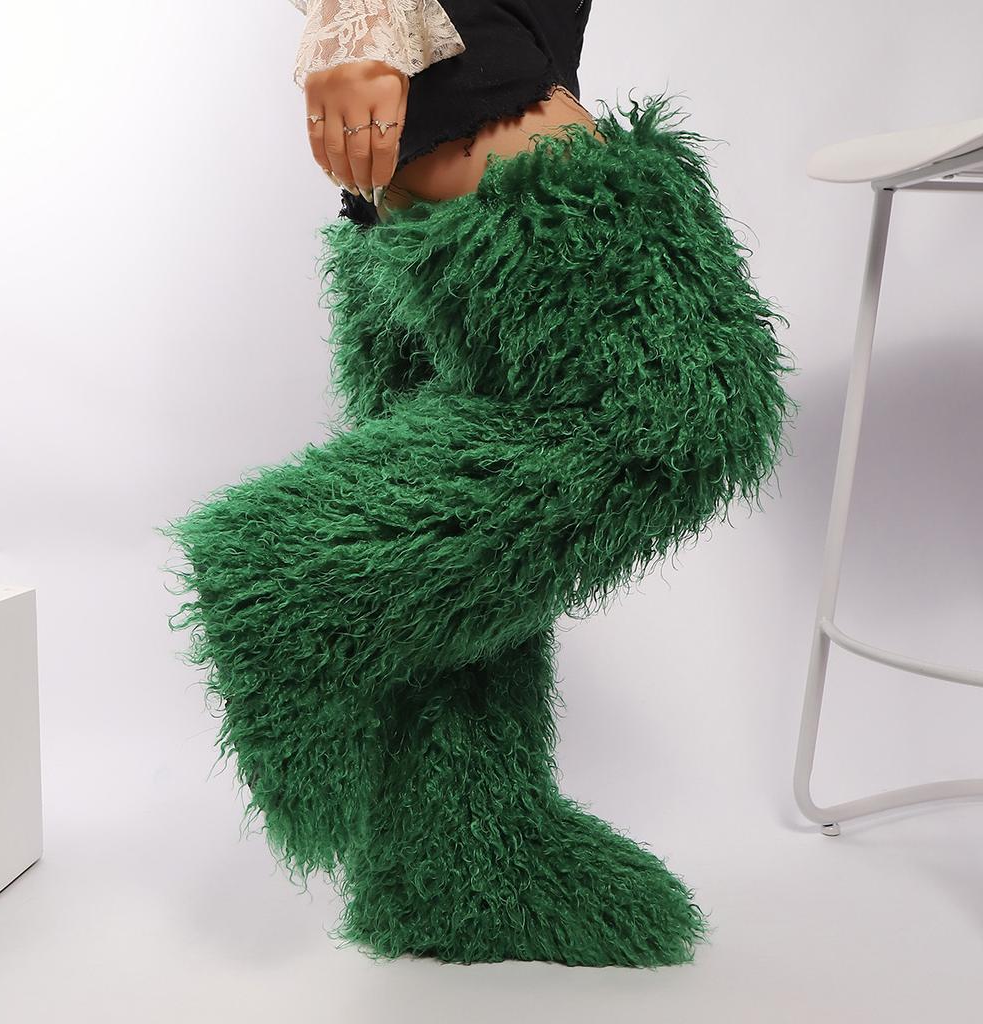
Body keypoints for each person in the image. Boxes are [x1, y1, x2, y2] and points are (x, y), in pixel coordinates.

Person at [161, 0, 799, 968]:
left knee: (465, 556)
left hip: (475, 86)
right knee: (682, 406)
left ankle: (453, 859)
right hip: (456, 61)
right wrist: (359, 22)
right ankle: (293, 579)